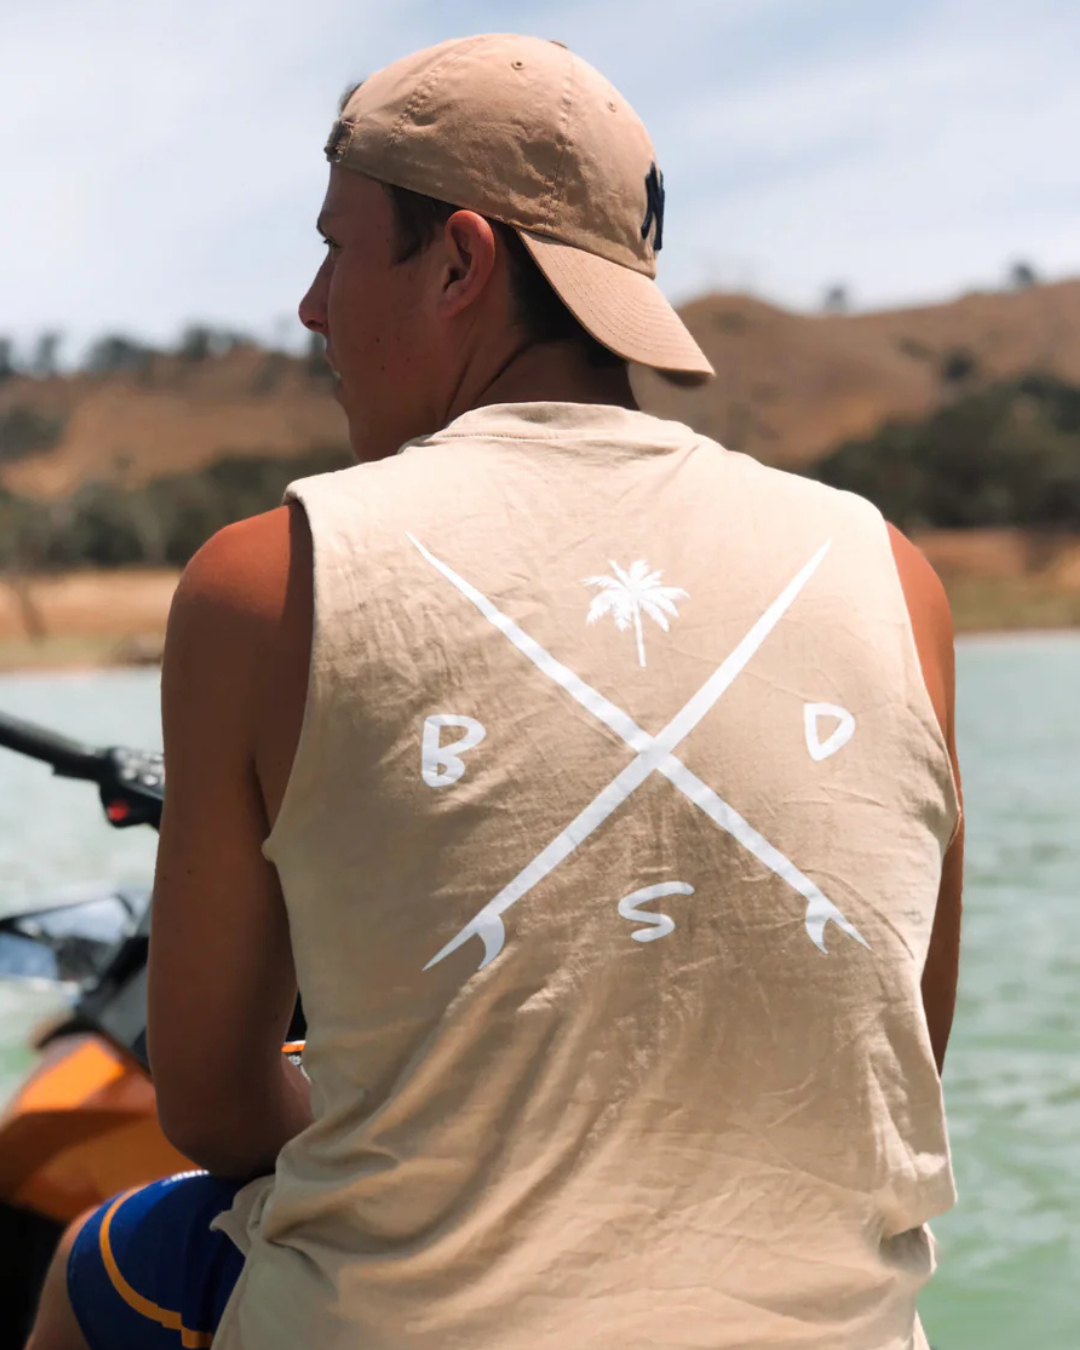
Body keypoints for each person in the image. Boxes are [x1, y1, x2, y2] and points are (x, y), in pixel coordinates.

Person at [28, 33, 963, 1350]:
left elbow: (216, 1107)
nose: (310, 306)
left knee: (96, 1263)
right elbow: (901, 1051)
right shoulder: (896, 577)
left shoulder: (265, 583)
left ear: (460, 263)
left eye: (337, 248)